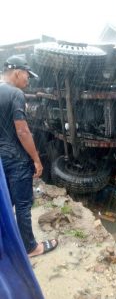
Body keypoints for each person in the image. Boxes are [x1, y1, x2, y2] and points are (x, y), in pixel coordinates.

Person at [0, 55, 58, 257]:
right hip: (16, 160)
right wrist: (36, 159)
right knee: (23, 204)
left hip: (1, 161)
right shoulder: (15, 94)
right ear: (17, 72)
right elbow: (23, 131)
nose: (28, 80)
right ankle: (31, 248)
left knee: (4, 203)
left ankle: (5, 244)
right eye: (27, 75)